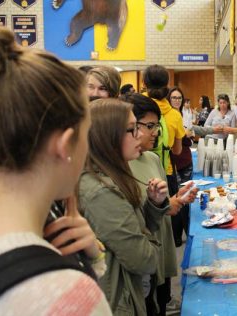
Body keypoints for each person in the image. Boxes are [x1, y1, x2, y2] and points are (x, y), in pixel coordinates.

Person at [0, 27, 111, 314]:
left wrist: (88, 261)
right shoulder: (65, 294)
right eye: (87, 134)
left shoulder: (52, 229)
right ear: (64, 145)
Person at [79, 98, 170, 315]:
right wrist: (150, 241)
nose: (140, 135)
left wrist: (155, 206)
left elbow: (134, 228)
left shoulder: (115, 175)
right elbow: (144, 260)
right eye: (132, 130)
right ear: (107, 138)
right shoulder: (101, 192)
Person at [123, 93, 197, 316]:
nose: (156, 132)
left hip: (160, 253)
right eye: (150, 125)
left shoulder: (152, 159)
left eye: (158, 125)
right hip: (142, 262)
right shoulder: (118, 169)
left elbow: (162, 208)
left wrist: (176, 200)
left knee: (161, 304)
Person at [143, 65, 186, 248]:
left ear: (144, 83)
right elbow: (177, 151)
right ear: (168, 85)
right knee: (168, 211)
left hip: (138, 169)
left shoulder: (136, 107)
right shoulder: (174, 115)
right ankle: (171, 246)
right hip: (164, 171)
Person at [167, 87, 193, 248]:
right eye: (174, 97)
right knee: (176, 199)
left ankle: (187, 233)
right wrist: (186, 135)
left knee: (186, 199)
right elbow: (183, 138)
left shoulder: (181, 114)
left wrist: (187, 136)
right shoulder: (168, 116)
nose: (176, 100)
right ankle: (176, 235)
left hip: (185, 161)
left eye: (179, 98)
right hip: (172, 163)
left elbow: (186, 139)